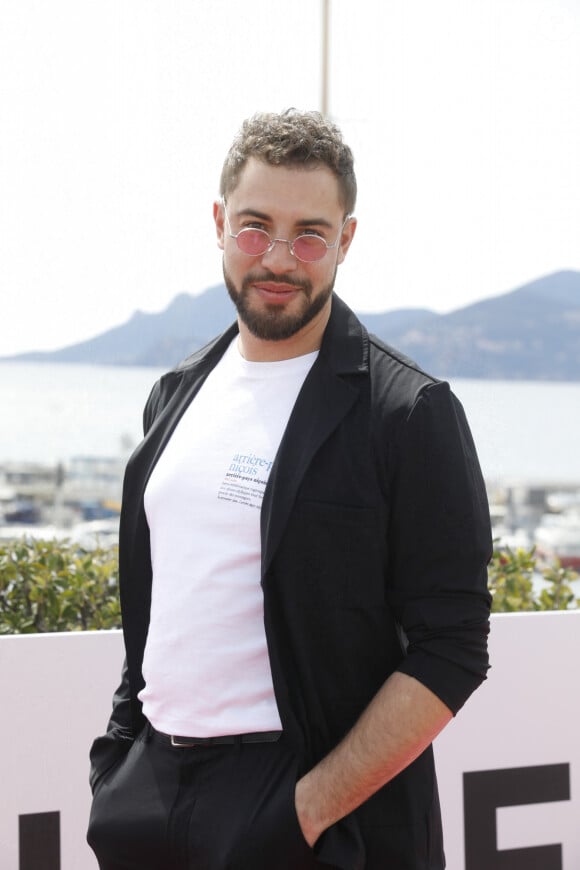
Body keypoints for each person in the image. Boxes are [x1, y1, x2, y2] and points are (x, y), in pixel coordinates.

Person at [87, 109, 492, 870]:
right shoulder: (176, 394)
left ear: (345, 240)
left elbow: (453, 648)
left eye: (309, 233)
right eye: (254, 227)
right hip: (151, 801)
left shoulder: (406, 411)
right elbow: (161, 604)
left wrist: (305, 811)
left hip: (308, 813)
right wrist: (119, 763)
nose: (278, 257)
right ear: (218, 223)